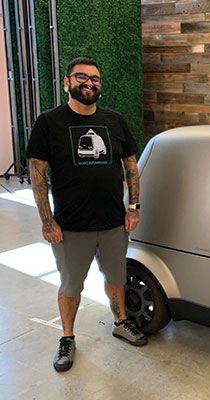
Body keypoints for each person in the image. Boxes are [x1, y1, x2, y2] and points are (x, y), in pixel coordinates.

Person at [26, 57, 147, 373]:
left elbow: (131, 166)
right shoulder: (49, 122)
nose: (89, 82)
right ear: (67, 82)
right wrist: (47, 220)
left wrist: (133, 208)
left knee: (116, 279)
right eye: (81, 77)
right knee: (71, 286)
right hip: (70, 226)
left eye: (95, 78)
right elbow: (37, 172)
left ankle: (120, 321)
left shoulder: (114, 121)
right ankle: (67, 337)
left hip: (112, 223)